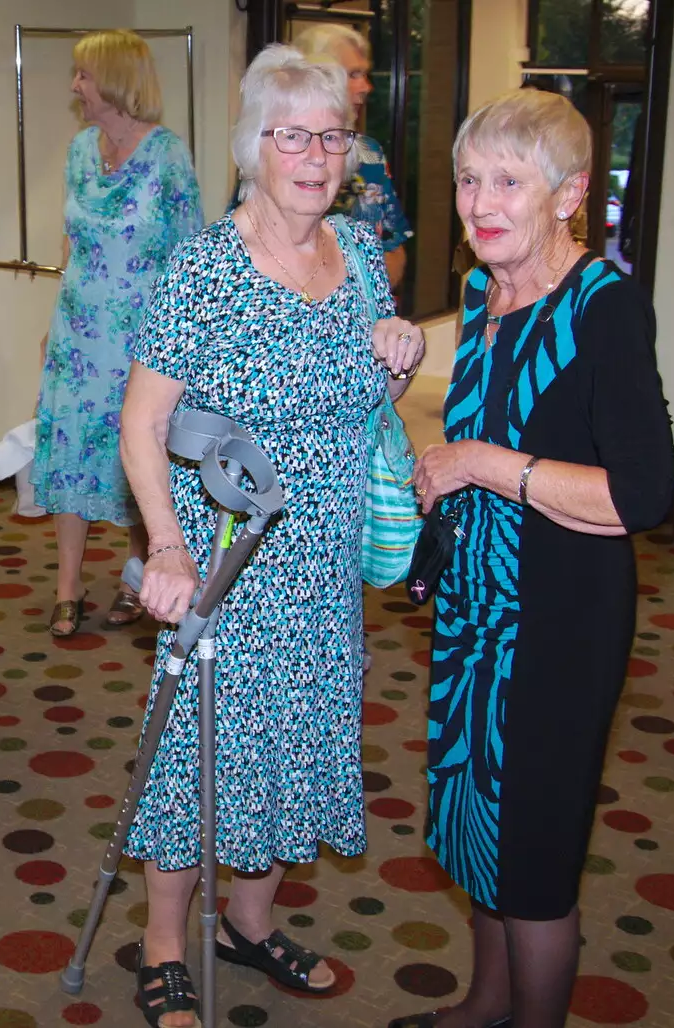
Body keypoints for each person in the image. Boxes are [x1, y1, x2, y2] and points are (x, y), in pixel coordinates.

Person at [119, 47, 424, 1028]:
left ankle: (247, 923)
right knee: (195, 753)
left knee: (298, 740)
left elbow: (369, 405)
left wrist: (399, 351)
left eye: (330, 134)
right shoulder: (204, 265)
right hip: (226, 556)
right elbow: (141, 423)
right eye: (292, 132)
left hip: (326, 561)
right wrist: (165, 546)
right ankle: (167, 939)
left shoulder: (361, 258)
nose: (315, 152)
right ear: (255, 144)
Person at [393, 90, 674, 1028]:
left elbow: (643, 497)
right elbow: (481, 429)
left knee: (536, 855)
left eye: (510, 181)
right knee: (476, 823)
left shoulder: (604, 307)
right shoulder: (485, 293)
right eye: (470, 179)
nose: (482, 202)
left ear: (571, 194)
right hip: (478, 607)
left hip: (560, 620)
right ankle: (484, 1004)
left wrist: (481, 464)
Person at [33, 29, 202, 637]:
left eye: (83, 74)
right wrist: (54, 327)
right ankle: (68, 586)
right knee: (73, 457)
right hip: (79, 336)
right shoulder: (80, 150)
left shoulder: (168, 156)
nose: (74, 86)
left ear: (113, 80)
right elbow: (71, 242)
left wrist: (188, 347)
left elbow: (193, 256)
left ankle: (140, 572)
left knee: (140, 455)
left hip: (144, 342)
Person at [292, 21, 412, 288]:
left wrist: (357, 303)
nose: (366, 87)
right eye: (354, 74)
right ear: (318, 79)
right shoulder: (275, 154)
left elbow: (395, 250)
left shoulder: (369, 155)